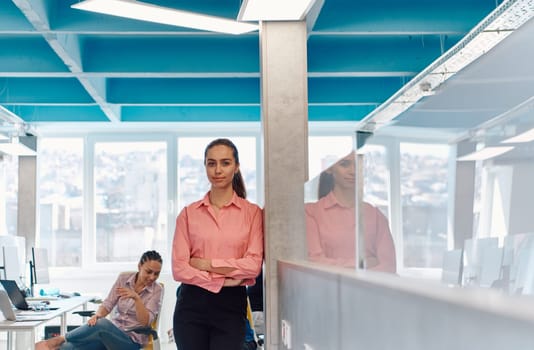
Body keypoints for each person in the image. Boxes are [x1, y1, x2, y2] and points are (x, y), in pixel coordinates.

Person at [171, 138, 264, 350]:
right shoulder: (188, 214)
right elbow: (179, 269)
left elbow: (253, 266)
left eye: (225, 163)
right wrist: (223, 280)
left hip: (231, 307)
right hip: (190, 306)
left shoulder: (252, 214)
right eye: (211, 163)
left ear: (236, 166)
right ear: (205, 166)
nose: (218, 170)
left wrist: (205, 264)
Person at [35, 250, 163, 350]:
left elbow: (145, 322)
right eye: (149, 271)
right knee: (67, 348)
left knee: (101, 324)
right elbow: (108, 304)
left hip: (131, 342)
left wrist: (136, 298)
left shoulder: (156, 290)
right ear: (140, 266)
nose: (152, 277)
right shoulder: (124, 278)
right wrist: (97, 315)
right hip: (109, 334)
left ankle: (60, 338)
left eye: (156, 273)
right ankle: (59, 343)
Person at [306, 152, 396, 273]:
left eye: (358, 165)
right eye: (344, 164)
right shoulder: (311, 212)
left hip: (368, 290)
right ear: (329, 168)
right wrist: (362, 263)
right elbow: (315, 262)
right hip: (329, 289)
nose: (353, 171)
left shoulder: (375, 216)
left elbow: (388, 267)